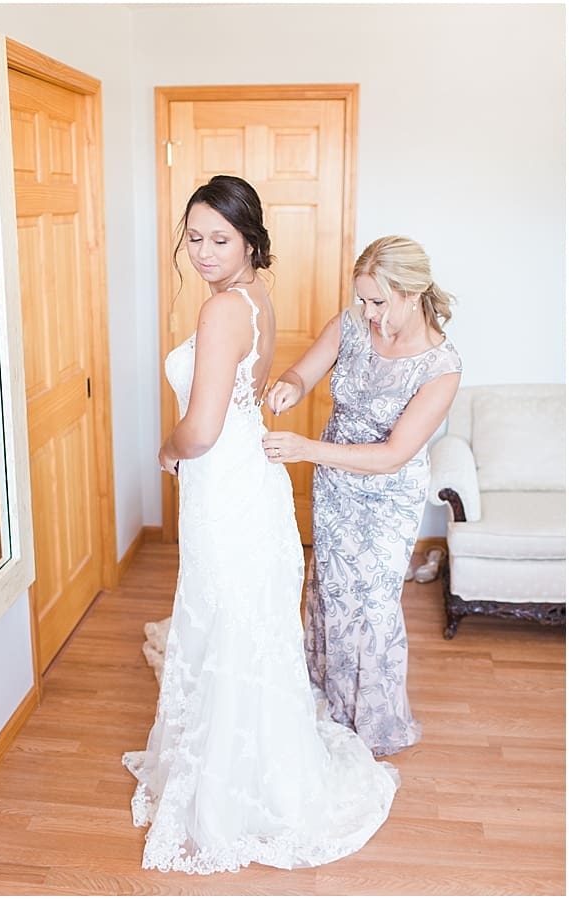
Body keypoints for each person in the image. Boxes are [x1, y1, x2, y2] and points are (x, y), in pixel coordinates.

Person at [123, 175, 397, 875]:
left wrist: (166, 449)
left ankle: (234, 794)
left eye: (220, 239)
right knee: (244, 622)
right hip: (248, 484)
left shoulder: (222, 313)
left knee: (231, 618)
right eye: (194, 238)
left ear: (249, 240)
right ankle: (252, 770)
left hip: (227, 488)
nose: (205, 252)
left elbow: (204, 426)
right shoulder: (253, 298)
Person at [263, 235, 462, 757]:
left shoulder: (441, 367)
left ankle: (374, 724)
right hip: (335, 490)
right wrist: (289, 386)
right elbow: (304, 370)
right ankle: (327, 702)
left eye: (379, 301)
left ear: (412, 292)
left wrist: (306, 448)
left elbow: (395, 454)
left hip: (387, 498)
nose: (368, 313)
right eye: (363, 299)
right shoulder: (352, 323)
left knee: (372, 608)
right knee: (331, 593)